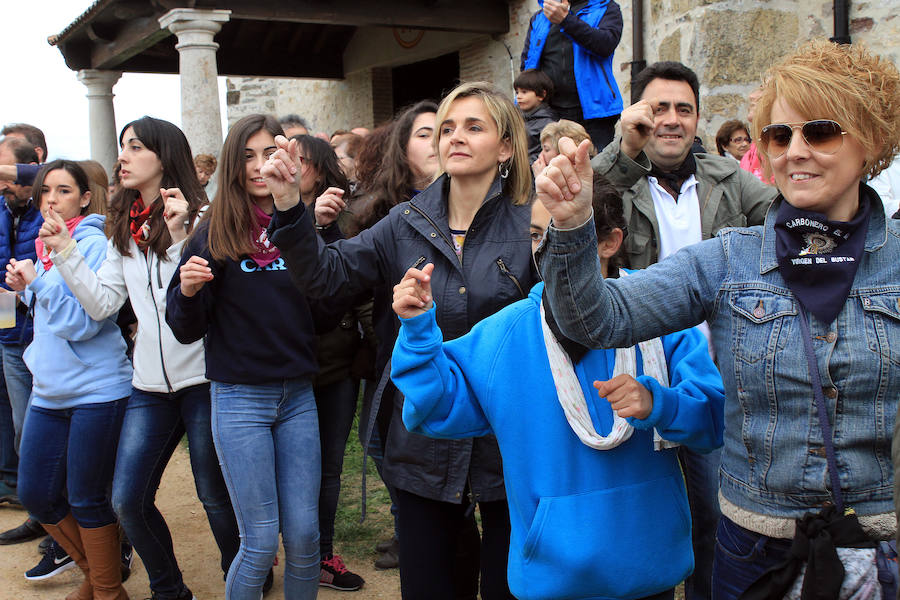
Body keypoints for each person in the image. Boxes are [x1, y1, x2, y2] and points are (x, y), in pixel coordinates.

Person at [535, 39, 900, 599]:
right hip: (756, 547)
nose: (795, 151)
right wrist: (573, 225)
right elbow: (597, 321)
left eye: (819, 131)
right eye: (779, 136)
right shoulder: (729, 259)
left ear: (869, 140)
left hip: (883, 547)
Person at [391, 173, 725, 600]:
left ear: (609, 243)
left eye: (563, 233)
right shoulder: (505, 335)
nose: (546, 249)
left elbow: (715, 421)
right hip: (551, 578)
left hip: (648, 570)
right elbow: (435, 411)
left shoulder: (661, 324)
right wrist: (419, 331)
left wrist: (660, 403)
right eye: (535, 235)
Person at [263, 81, 536, 599]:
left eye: (474, 127)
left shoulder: (531, 222)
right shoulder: (405, 222)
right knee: (433, 585)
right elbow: (326, 278)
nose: (455, 137)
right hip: (424, 434)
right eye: (447, 128)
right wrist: (289, 206)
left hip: (512, 434)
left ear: (505, 146)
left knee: (513, 586)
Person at [39, 116, 240, 600]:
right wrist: (66, 252)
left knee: (214, 494)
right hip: (148, 382)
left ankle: (244, 574)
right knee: (127, 500)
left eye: (134, 147)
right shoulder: (121, 227)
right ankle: (169, 590)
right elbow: (104, 305)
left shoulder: (203, 215)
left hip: (204, 377)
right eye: (123, 147)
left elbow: (194, 297)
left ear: (163, 155)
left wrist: (175, 237)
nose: (122, 156)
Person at [166, 114, 335, 600]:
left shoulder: (300, 226)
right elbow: (183, 328)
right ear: (231, 166)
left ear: (290, 158)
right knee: (259, 542)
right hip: (239, 399)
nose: (260, 167)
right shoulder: (212, 231)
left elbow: (324, 310)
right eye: (246, 157)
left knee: (305, 539)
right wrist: (189, 291)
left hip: (299, 396)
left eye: (269, 153)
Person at [5, 159, 133, 600]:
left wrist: (37, 286)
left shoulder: (93, 242)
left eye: (62, 191)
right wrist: (26, 287)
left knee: (86, 497)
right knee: (36, 495)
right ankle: (97, 576)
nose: (50, 200)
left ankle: (107, 589)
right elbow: (51, 320)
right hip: (50, 389)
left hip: (98, 389)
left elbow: (86, 324)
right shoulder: (43, 246)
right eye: (44, 192)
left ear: (83, 197)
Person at [289, 134, 367, 591]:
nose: (290, 167)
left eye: (301, 160)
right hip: (281, 369)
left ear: (319, 169)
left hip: (334, 365)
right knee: (288, 468)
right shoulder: (257, 219)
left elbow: (346, 288)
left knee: (329, 467)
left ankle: (320, 555)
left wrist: (323, 229)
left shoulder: (345, 219)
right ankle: (277, 549)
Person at [521, 0, 623, 151]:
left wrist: (565, 20)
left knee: (597, 170)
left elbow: (605, 45)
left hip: (594, 114)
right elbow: (527, 63)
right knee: (551, 170)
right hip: (549, 114)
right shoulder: (538, 18)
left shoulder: (606, 7)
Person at [514, 69, 558, 162]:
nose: (518, 96)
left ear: (541, 94)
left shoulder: (548, 124)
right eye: (517, 92)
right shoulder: (515, 118)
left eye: (524, 92)